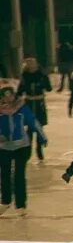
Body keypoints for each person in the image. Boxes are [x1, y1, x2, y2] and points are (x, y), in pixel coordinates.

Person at [0, 84, 46, 217]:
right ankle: (5, 201)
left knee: (19, 175)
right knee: (5, 174)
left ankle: (21, 204)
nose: (8, 99)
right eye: (5, 96)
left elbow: (33, 122)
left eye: (11, 95)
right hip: (3, 148)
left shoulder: (21, 108)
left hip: (21, 146)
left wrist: (42, 137)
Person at [16, 58, 51, 163]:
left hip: (39, 103)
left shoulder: (41, 75)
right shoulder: (24, 76)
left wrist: (44, 80)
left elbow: (49, 88)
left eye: (33, 64)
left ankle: (39, 149)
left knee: (39, 127)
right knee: (29, 129)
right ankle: (28, 151)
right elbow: (20, 91)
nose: (32, 67)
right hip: (29, 104)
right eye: (29, 65)